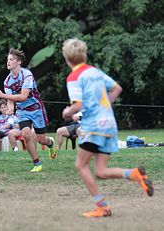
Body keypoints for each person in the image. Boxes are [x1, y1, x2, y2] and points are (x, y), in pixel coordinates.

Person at [61, 38, 153, 218]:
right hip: (109, 124)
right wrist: (104, 106)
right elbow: (117, 89)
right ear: (84, 55)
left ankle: (102, 207)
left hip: (94, 125)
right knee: (101, 171)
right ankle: (134, 174)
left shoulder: (74, 77)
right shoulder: (95, 71)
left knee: (80, 165)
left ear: (67, 59)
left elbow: (78, 104)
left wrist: (67, 111)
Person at [0, 48, 57, 173]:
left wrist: (2, 96)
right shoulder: (7, 81)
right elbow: (11, 101)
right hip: (22, 111)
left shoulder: (27, 75)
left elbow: (23, 97)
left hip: (36, 109)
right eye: (7, 60)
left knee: (41, 139)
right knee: (26, 135)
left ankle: (50, 143)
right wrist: (10, 109)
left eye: (11, 60)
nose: (8, 62)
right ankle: (37, 163)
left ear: (19, 62)